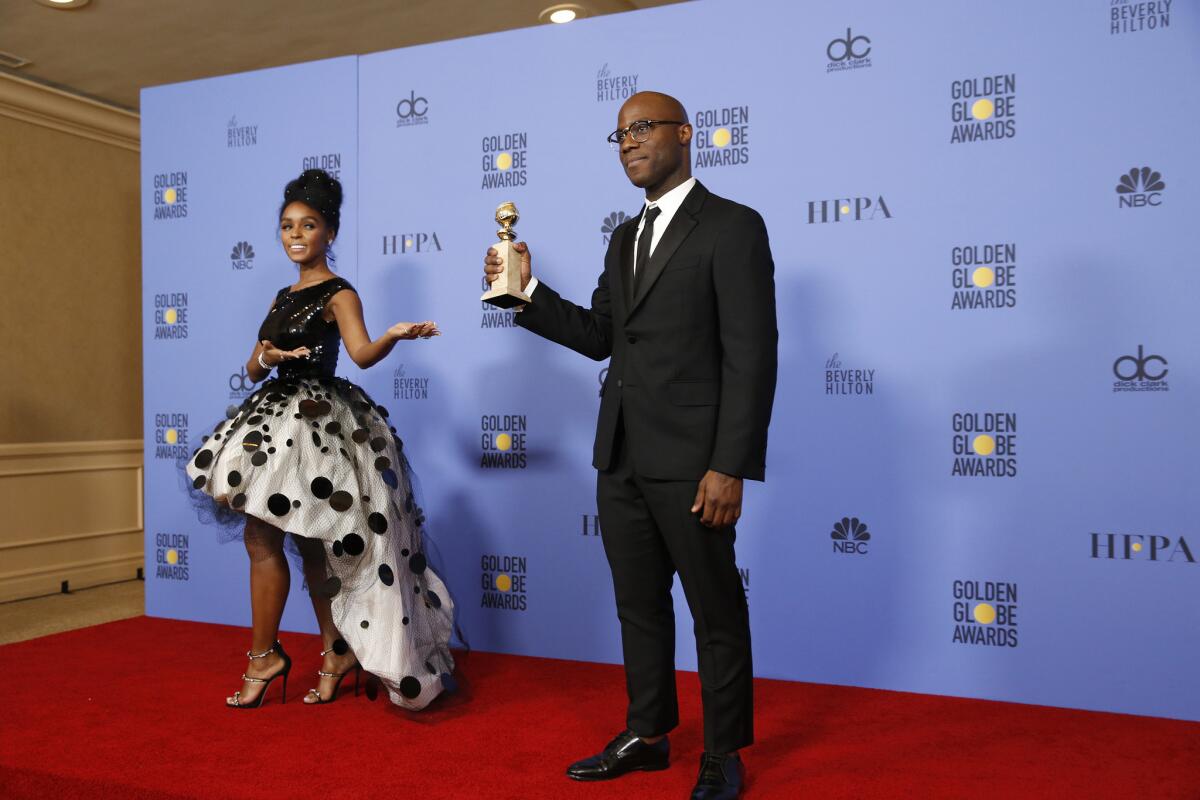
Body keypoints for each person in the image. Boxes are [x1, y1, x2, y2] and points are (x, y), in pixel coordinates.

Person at [483, 91, 777, 799]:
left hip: (695, 463)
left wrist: (729, 465)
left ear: (684, 134)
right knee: (638, 605)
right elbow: (601, 337)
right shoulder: (623, 237)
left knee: (715, 611)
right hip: (620, 456)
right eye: (618, 135)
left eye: (642, 128)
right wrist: (522, 293)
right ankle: (648, 734)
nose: (629, 143)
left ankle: (723, 752)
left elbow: (752, 354)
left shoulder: (733, 226)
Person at [187, 168, 455, 710]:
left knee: (305, 544)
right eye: (287, 226)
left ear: (328, 233)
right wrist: (269, 355)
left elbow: (359, 355)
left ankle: (283, 656)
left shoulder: (340, 292)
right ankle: (327, 652)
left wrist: (393, 337)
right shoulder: (282, 294)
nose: (295, 235)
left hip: (318, 425)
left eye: (307, 226)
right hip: (274, 417)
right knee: (281, 540)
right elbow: (253, 365)